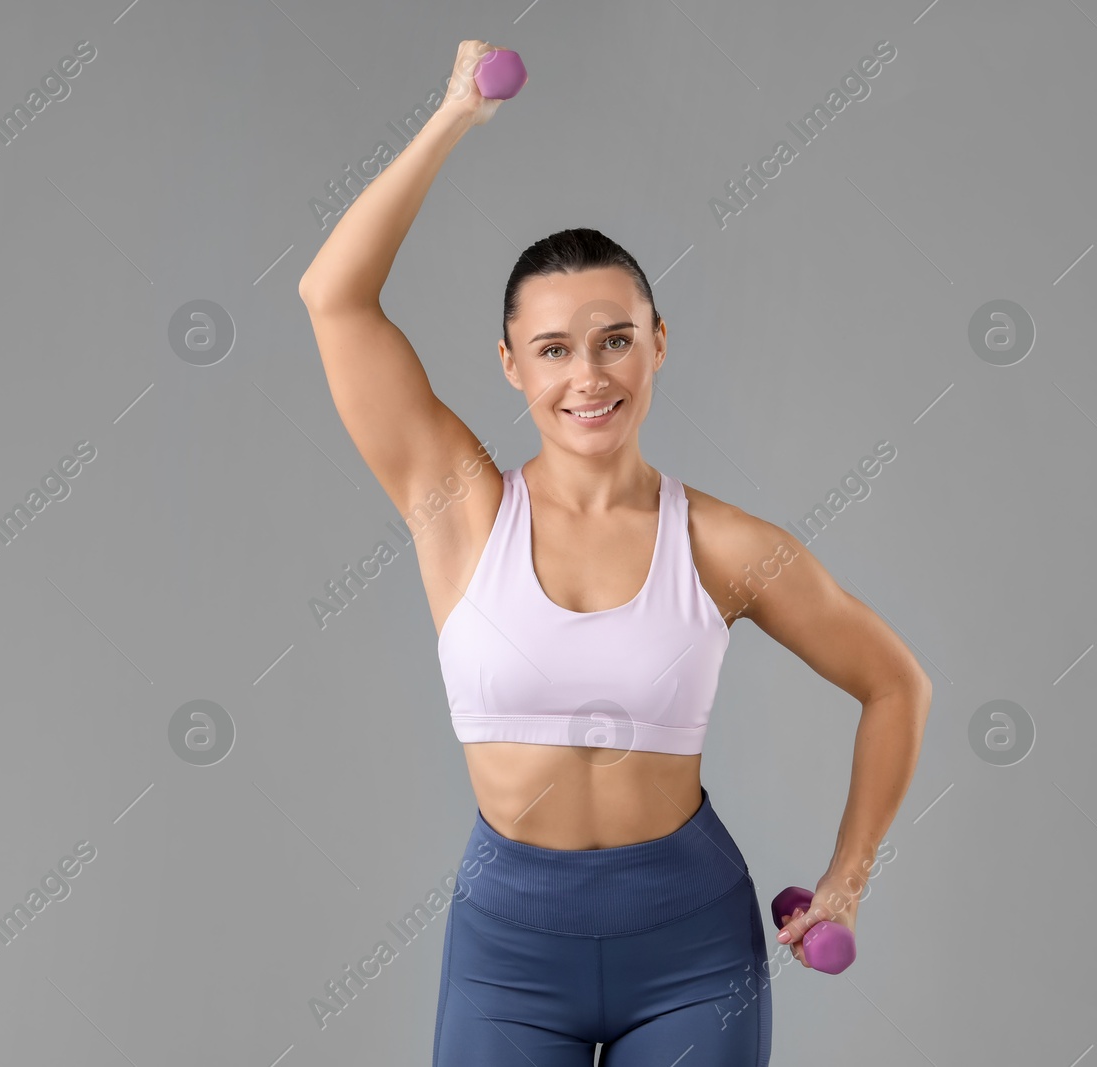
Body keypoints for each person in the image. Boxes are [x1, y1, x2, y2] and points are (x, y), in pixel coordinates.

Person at [297, 39, 930, 1067]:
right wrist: (455, 113)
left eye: (614, 338)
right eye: (552, 348)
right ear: (509, 364)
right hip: (509, 952)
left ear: (658, 343)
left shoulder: (724, 545)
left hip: (689, 948)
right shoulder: (459, 506)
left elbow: (894, 683)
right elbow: (333, 296)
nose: (587, 375)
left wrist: (847, 876)